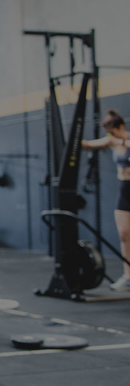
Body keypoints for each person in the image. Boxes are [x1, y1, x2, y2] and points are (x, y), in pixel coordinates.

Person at [81, 109, 130, 291]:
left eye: (113, 131)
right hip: (125, 190)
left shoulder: (124, 139)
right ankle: (128, 276)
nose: (110, 135)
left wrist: (122, 141)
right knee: (124, 235)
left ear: (121, 127)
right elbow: (87, 144)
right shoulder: (112, 141)